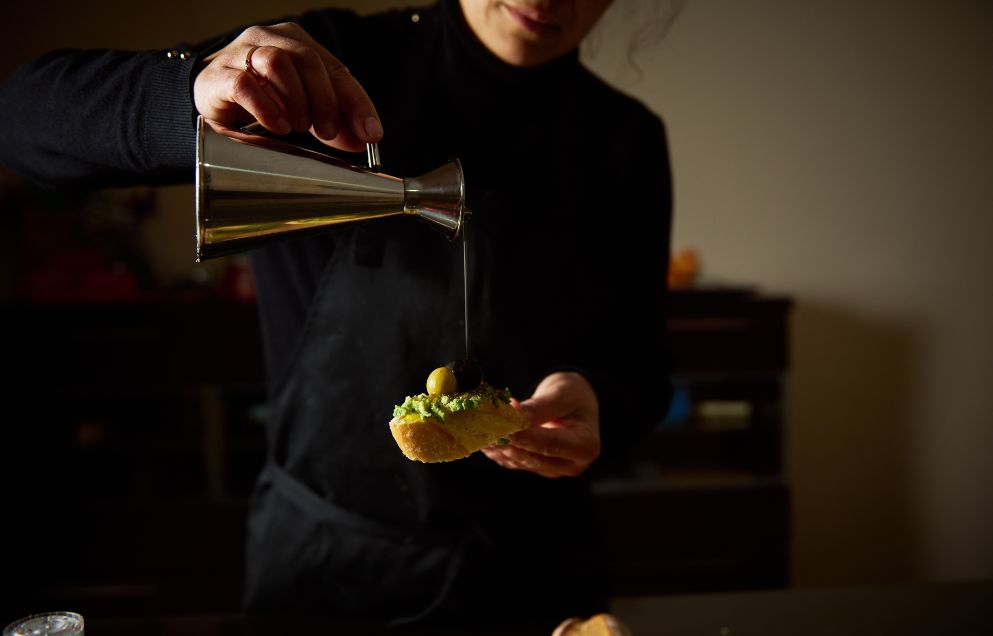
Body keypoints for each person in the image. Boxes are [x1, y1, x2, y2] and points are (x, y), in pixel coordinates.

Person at [0, 0, 674, 629]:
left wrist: (597, 403)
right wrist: (193, 90)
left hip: (533, 568)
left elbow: (640, 366)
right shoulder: (332, 62)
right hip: (324, 568)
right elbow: (21, 123)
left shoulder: (625, 139)